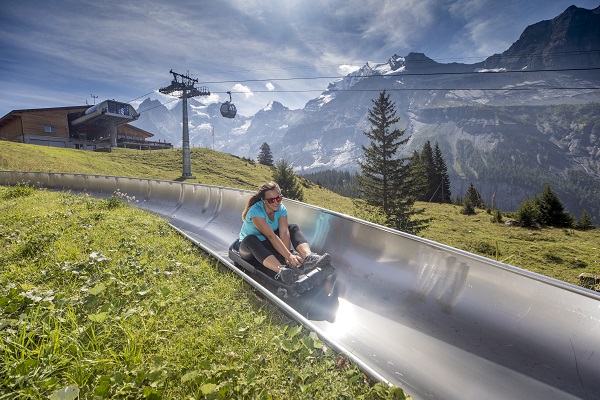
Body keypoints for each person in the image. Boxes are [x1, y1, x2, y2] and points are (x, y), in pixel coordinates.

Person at [239, 181, 330, 285]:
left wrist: (287, 257)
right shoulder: (256, 211)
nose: (276, 202)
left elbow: (284, 232)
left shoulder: (281, 209)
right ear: (263, 200)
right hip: (250, 249)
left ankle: (309, 257)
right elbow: (271, 236)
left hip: (267, 245)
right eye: (271, 200)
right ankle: (281, 271)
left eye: (278, 198)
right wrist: (289, 256)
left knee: (292, 227)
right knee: (251, 239)